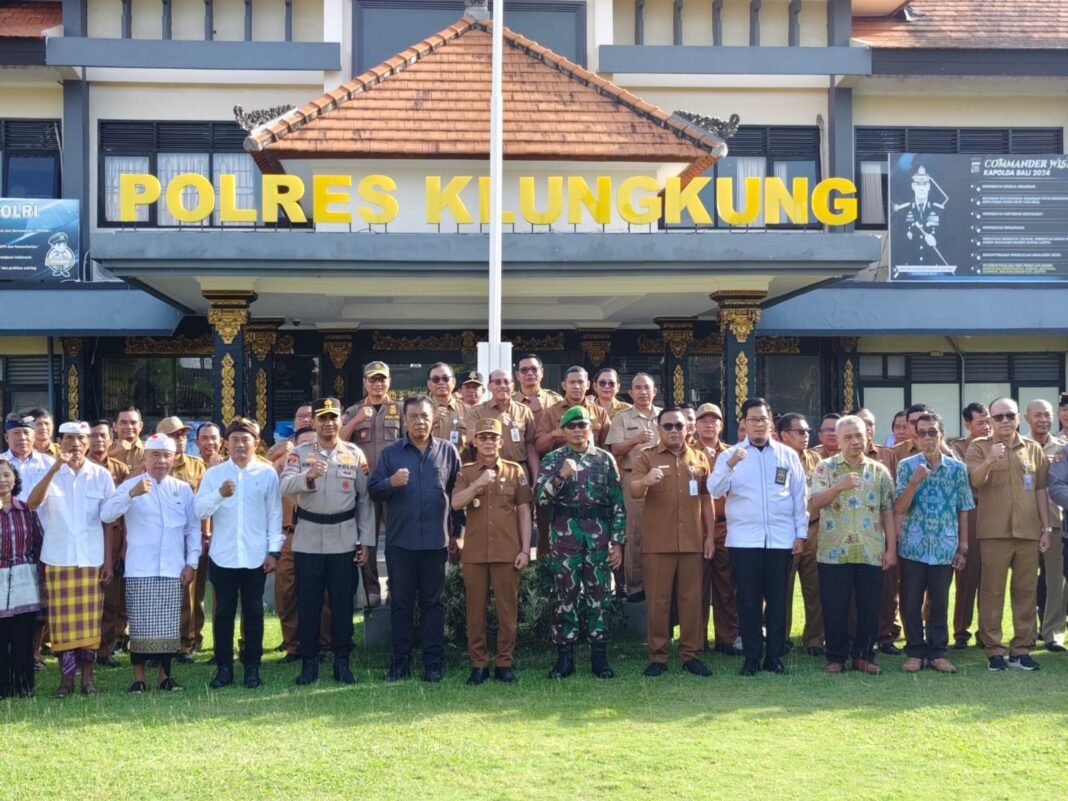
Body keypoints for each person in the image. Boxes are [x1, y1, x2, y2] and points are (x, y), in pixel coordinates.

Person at [709, 399, 808, 676]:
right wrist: (729, 465)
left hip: (780, 540)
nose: (758, 424)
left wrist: (800, 534)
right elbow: (714, 490)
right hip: (744, 541)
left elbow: (800, 496)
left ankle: (774, 656)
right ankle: (751, 657)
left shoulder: (787, 455)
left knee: (777, 600)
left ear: (771, 422)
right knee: (748, 600)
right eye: (752, 420)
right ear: (743, 423)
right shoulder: (731, 455)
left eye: (763, 419)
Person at [280, 398, 375, 685]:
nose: (329, 423)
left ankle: (341, 662)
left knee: (342, 604)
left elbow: (365, 500)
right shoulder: (299, 454)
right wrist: (307, 477)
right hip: (308, 539)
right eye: (322, 418)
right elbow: (284, 485)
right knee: (308, 604)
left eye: (333, 417)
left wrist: (365, 541)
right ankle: (309, 663)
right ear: (314, 422)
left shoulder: (354, 454)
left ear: (340, 421)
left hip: (343, 539)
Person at [369, 395, 461, 683]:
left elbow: (457, 496)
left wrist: (458, 534)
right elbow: (373, 490)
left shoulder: (448, 452)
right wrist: (390, 483)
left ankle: (433, 663)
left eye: (424, 416)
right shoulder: (390, 454)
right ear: (404, 420)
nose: (419, 421)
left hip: (436, 542)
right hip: (401, 543)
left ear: (434, 419)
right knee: (401, 604)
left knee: (434, 604)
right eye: (413, 416)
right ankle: (400, 663)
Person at [101, 434, 200, 693]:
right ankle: (139, 679)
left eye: (166, 456)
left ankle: (165, 677)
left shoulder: (182, 489)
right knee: (141, 626)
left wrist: (191, 563)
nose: (161, 461)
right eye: (155, 455)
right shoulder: (130, 485)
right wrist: (131, 494)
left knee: (168, 627)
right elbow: (107, 514)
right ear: (144, 458)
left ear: (174, 458)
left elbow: (193, 529)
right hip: (140, 568)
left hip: (173, 568)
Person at [535, 406, 625, 680]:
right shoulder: (554, 459)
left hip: (598, 536)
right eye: (571, 426)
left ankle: (600, 658)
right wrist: (560, 475)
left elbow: (617, 502)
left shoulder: (604, 459)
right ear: (563, 431)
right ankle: (565, 659)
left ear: (591, 428)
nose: (577, 430)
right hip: (565, 537)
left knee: (600, 595)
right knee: (566, 595)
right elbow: (540, 498)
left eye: (582, 425)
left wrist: (618, 542)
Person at [27, 421, 115, 696]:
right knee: (62, 626)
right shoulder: (47, 471)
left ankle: (88, 680)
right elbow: (32, 504)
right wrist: (54, 469)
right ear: (60, 442)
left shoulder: (101, 475)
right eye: (69, 439)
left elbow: (108, 521)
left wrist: (108, 561)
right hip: (58, 559)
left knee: (90, 625)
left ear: (88, 443)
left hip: (91, 559)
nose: (75, 444)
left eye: (81, 439)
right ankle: (65, 681)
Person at [195, 418, 283, 689]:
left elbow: (274, 515)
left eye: (246, 440)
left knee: (254, 611)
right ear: (226, 443)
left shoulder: (267, 474)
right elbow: (199, 510)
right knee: (223, 612)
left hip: (255, 556)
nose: (240, 445)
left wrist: (274, 552)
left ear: (256, 443)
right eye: (234, 440)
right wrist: (219, 494)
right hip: (223, 555)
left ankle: (252, 667)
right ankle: (224, 668)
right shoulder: (214, 474)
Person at [965, 397, 1051, 671]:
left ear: (1018, 418)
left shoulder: (1033, 449)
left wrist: (1046, 528)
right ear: (990, 420)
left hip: (1028, 531)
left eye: (1009, 416)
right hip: (994, 532)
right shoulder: (979, 447)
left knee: (1026, 591)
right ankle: (994, 650)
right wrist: (991, 458)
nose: (1005, 421)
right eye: (999, 416)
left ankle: (1021, 649)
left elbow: (1040, 490)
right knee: (992, 592)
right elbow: (975, 481)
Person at [809, 415, 897, 675]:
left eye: (859, 435)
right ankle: (836, 656)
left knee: (869, 607)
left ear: (868, 436)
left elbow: (887, 510)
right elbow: (816, 501)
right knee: (834, 606)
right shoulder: (825, 468)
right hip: (834, 551)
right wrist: (839, 486)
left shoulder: (879, 470)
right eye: (848, 437)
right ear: (837, 440)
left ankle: (864, 656)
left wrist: (891, 548)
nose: (855, 441)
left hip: (870, 550)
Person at [630, 408, 715, 677]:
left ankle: (690, 654)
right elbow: (634, 490)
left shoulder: (698, 458)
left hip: (692, 542)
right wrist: (646, 480)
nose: (674, 431)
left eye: (679, 425)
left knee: (692, 601)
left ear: (688, 428)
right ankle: (658, 655)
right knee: (658, 602)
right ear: (659, 429)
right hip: (658, 543)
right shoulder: (647, 456)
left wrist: (710, 536)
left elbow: (706, 499)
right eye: (668, 426)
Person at [451, 418, 532, 684]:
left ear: (501, 441)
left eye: (493, 437)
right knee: (475, 612)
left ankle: (504, 662)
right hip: (475, 553)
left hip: (507, 551)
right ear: (475, 442)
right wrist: (478, 484)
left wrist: (525, 549)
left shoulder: (514, 471)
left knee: (507, 611)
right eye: (483, 437)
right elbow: (456, 503)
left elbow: (524, 511)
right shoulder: (466, 472)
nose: (488, 442)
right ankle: (479, 663)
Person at [893, 413, 974, 673]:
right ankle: (915, 651)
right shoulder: (906, 466)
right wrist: (914, 481)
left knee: (940, 601)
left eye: (933, 432)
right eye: (922, 433)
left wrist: (963, 547)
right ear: (915, 438)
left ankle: (938, 651)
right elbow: (899, 507)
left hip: (943, 545)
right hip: (913, 545)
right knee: (911, 601)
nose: (928, 438)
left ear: (941, 435)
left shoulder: (957, 469)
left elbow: (964, 508)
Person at [340, 361, 403, 607]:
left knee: (396, 540)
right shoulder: (353, 410)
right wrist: (356, 420)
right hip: (364, 486)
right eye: (373, 379)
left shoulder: (400, 408)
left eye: (382, 379)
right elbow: (338, 440)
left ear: (389, 382)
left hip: (393, 485)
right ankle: (372, 591)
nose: (378, 384)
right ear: (365, 382)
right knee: (367, 540)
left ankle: (395, 588)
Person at [604, 372, 660, 602]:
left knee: (661, 531)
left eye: (647, 388)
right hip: (632, 478)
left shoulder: (664, 417)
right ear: (630, 392)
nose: (643, 392)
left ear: (654, 391)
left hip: (662, 480)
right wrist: (636, 440)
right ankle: (636, 587)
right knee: (634, 532)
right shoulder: (622, 418)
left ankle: (659, 583)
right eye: (638, 388)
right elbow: (615, 449)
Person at [156, 416, 208, 664]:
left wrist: (205, 535)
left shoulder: (197, 465)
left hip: (188, 535)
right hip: (158, 538)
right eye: (174, 435)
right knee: (158, 593)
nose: (180, 439)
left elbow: (204, 505)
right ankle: (159, 644)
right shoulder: (152, 465)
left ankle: (186, 643)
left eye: (183, 434)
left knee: (188, 592)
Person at [694, 402, 740, 655]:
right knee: (696, 587)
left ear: (721, 425)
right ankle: (697, 639)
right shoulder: (687, 453)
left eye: (714, 420)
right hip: (696, 527)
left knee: (725, 586)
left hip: (725, 526)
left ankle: (727, 638)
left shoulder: (733, 453)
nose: (709, 425)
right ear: (695, 425)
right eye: (703, 420)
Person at [777, 412, 823, 656]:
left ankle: (814, 639)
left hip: (814, 529)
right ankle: (781, 637)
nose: (806, 435)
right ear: (784, 435)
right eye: (800, 431)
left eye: (808, 431)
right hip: (786, 532)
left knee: (815, 588)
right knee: (782, 589)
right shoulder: (777, 459)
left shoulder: (817, 460)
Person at [1023, 399, 1066, 652]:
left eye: (1047, 415)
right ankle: (1027, 632)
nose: (1043, 420)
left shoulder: (1063, 448)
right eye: (1037, 415)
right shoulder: (1019, 446)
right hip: (1026, 524)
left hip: (1056, 521)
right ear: (1027, 418)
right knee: (1025, 581)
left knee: (1057, 582)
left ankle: (1053, 633)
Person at [87, 420, 130, 666]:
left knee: (111, 600)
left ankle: (105, 650)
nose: (98, 440)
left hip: (114, 538)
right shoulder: (80, 467)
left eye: (103, 436)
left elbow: (125, 511)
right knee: (87, 598)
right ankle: (85, 648)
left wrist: (123, 546)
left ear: (111, 439)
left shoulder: (120, 470)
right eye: (93, 436)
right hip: (88, 538)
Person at [0, 459, 44, 698]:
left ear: (15, 479)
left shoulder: (26, 510)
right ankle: (3, 687)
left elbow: (39, 543)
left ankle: (23, 686)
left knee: (23, 635)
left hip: (24, 577)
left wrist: (42, 579)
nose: (2, 480)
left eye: (7, 475)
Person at [949, 402, 990, 648]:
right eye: (980, 422)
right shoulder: (958, 447)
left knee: (991, 578)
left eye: (988, 421)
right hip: (971, 511)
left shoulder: (998, 444)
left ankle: (986, 632)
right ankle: (961, 632)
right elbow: (966, 476)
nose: (987, 426)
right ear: (968, 424)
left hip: (994, 510)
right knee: (967, 575)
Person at [466, 369, 540, 481]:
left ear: (513, 386)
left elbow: (530, 446)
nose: (502, 385)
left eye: (506, 382)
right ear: (489, 387)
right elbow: (469, 438)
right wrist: (495, 424)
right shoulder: (477, 412)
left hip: (519, 471)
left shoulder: (523, 411)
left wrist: (535, 478)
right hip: (488, 471)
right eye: (497, 382)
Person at [534, 366, 613, 456]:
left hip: (592, 462)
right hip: (561, 462)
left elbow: (607, 445)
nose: (576, 386)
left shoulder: (600, 413)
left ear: (588, 385)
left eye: (580, 382)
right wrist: (554, 434)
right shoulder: (551, 412)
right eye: (572, 382)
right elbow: (538, 447)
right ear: (564, 385)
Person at [2, 415, 53, 500]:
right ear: (6, 437)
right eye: (16, 433)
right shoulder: (2, 461)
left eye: (26, 433)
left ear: (34, 437)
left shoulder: (48, 464)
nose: (22, 438)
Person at [427, 362, 468, 450]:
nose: (441, 382)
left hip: (458, 458)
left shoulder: (467, 410)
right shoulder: (421, 409)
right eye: (436, 379)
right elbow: (411, 437)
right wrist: (431, 421)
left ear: (454, 382)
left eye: (446, 378)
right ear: (429, 384)